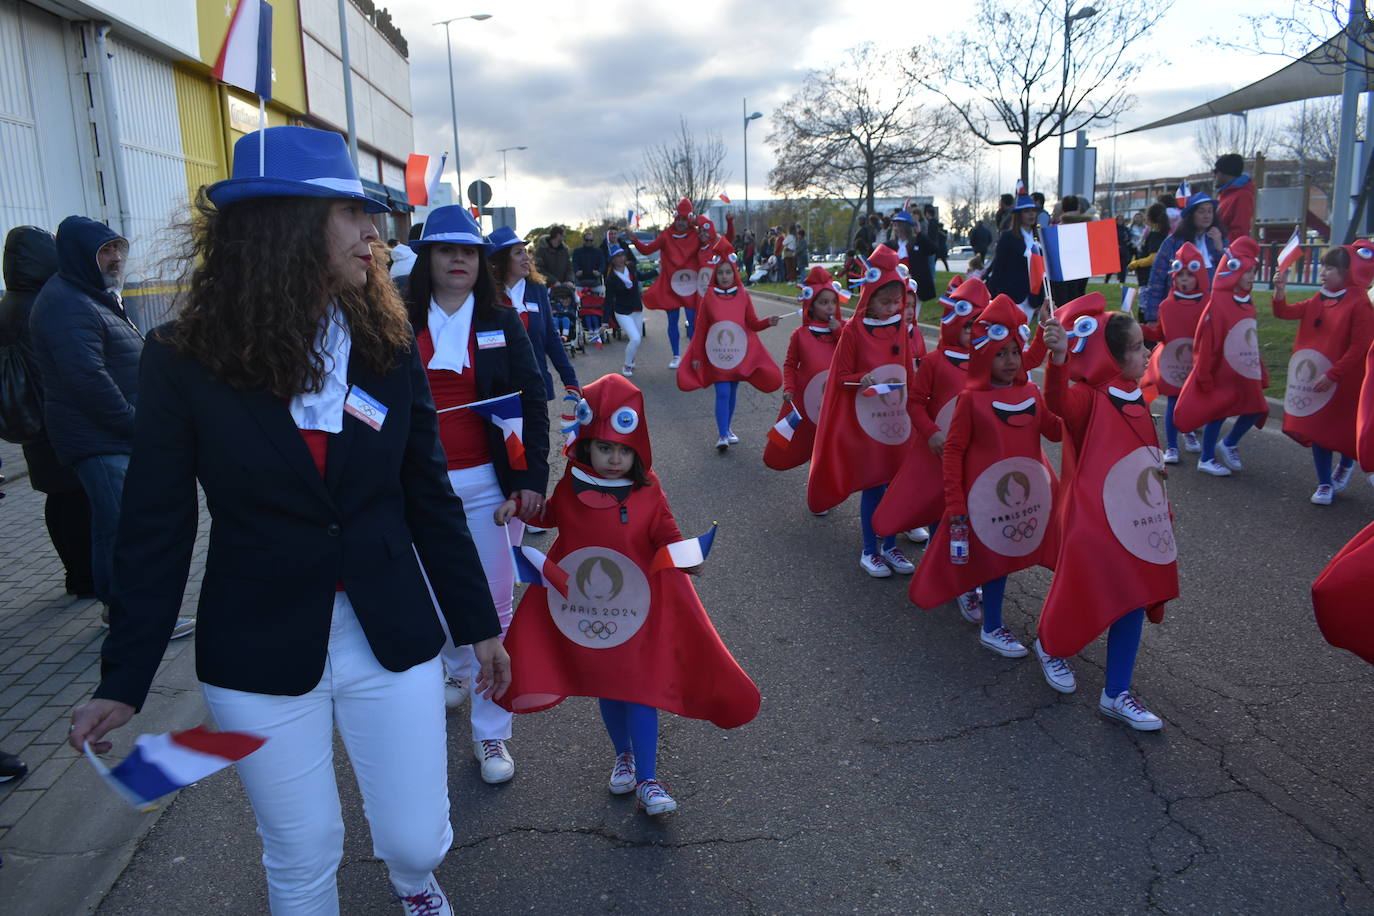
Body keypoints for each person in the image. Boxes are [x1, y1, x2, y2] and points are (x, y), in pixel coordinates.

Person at [66, 126, 510, 915]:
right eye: (351, 212)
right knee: (302, 854)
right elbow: (156, 528)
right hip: (259, 645)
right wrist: (124, 680)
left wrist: (480, 626)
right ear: (286, 226)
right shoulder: (180, 359)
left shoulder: (385, 344)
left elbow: (429, 497)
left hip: (389, 631)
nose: (374, 232)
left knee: (415, 839)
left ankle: (414, 884)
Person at [496, 373, 761, 816]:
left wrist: (686, 556)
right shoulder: (572, 486)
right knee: (609, 685)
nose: (614, 458)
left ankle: (649, 780)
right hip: (587, 610)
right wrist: (518, 507)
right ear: (587, 444)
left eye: (623, 450)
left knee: (639, 688)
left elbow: (666, 534)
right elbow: (548, 517)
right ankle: (623, 754)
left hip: (640, 610)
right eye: (605, 448)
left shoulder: (648, 489)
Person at [405, 206, 550, 785]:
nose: (458, 259)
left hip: (487, 487)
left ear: (479, 261)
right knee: (435, 606)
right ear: (428, 259)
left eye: (467, 251)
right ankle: (456, 664)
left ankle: (492, 735)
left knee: (495, 611)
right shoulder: (395, 316)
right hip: (415, 491)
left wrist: (531, 480)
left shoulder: (500, 318)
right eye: (445, 250)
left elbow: (531, 396)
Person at [29, 216, 195, 638]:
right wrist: (135, 423)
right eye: (105, 251)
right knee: (122, 527)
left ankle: (123, 610)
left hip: (112, 435)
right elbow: (86, 379)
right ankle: (128, 615)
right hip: (102, 438)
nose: (116, 258)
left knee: (117, 525)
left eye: (117, 248)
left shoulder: (91, 295)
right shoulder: (67, 303)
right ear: (80, 256)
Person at [1037, 294, 1178, 729]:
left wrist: (1161, 504)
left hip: (1135, 519)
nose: (1146, 352)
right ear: (1113, 357)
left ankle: (1116, 693)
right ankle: (1051, 643)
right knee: (1083, 590)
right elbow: (1059, 402)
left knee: (1133, 597)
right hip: (1094, 523)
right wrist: (1058, 358)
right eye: (1137, 347)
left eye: (1143, 345)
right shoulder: (1090, 399)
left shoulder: (1136, 394)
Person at [908, 294, 1063, 655]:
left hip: (1022, 499)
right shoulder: (971, 400)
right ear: (983, 355)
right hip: (981, 499)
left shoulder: (1030, 392)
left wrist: (1060, 362)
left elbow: (1056, 430)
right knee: (991, 560)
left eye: (1014, 351)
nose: (1011, 361)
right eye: (1000, 353)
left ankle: (980, 605)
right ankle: (992, 626)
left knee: (1002, 557)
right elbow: (954, 451)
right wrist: (954, 502)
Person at [807, 245, 920, 577]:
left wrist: (915, 404)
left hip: (896, 420)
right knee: (875, 483)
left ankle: (890, 545)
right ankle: (870, 550)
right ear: (869, 297)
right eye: (884, 302)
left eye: (895, 302)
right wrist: (863, 379)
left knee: (895, 483)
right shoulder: (854, 331)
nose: (891, 308)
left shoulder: (900, 326)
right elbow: (841, 378)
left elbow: (907, 371)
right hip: (866, 421)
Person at [873, 276, 989, 584]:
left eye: (980, 326)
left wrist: (1046, 333)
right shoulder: (936, 361)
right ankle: (903, 551)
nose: (973, 333)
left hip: (974, 454)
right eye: (968, 325)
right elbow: (915, 403)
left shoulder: (989, 360)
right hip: (937, 449)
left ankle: (950, 570)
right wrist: (931, 432)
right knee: (933, 502)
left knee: (965, 510)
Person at [0, 226, 94, 598]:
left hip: (28, 420)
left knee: (58, 498)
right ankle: (86, 578)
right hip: (58, 415)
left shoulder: (7, 306)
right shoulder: (45, 304)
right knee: (78, 498)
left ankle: (74, 574)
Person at [1272, 241, 1374, 505]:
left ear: (1347, 272)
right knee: (1318, 430)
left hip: (1346, 380)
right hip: (1319, 378)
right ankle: (1325, 482)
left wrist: (1333, 375)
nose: (1323, 272)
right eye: (1324, 266)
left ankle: (1346, 463)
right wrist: (1280, 291)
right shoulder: (1320, 298)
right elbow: (1284, 313)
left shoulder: (1359, 304)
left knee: (1343, 430)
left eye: (1331, 268)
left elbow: (1361, 346)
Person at [1174, 237, 1268, 476]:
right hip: (1220, 371)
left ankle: (1228, 444)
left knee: (1257, 407)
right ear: (1233, 271)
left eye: (1253, 271)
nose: (1251, 277)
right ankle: (1206, 458)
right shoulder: (1218, 303)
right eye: (1248, 272)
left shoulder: (1247, 302)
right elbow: (1206, 341)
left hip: (1244, 369)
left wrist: (1261, 369)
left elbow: (1250, 336)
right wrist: (1204, 374)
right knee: (1218, 412)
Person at [678, 238, 782, 449]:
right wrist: (697, 356)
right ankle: (722, 435)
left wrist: (767, 323)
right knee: (723, 391)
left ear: (734, 272)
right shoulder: (709, 297)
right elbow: (700, 330)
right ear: (715, 274)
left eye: (728, 272)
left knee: (732, 391)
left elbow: (752, 323)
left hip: (738, 353)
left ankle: (727, 427)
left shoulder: (743, 294)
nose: (724, 276)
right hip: (716, 354)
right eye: (721, 272)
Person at [763, 266, 845, 473]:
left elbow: (850, 356)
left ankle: (824, 484)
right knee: (811, 440)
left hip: (835, 398)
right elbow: (790, 364)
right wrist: (789, 387)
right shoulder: (800, 335)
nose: (829, 307)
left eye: (833, 302)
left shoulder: (843, 331)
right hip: (807, 400)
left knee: (830, 443)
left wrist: (838, 332)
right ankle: (815, 481)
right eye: (824, 302)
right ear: (811, 304)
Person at [488, 226, 580, 402]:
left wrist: (570, 381)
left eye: (525, 252)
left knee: (538, 430)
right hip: (499, 393)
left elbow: (551, 338)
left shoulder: (537, 290)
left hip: (536, 387)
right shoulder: (487, 295)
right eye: (518, 253)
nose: (526, 258)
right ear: (501, 260)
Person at [1141, 243, 1209, 463]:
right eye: (1181, 276)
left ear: (1199, 277)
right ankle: (1171, 446)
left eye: (1190, 276)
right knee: (1173, 402)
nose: (1185, 280)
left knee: (1193, 403)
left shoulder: (1208, 305)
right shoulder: (1167, 306)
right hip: (1173, 364)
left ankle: (1188, 432)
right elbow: (1161, 334)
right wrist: (1143, 329)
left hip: (1197, 361)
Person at [625, 199, 700, 367]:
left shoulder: (696, 234)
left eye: (684, 219)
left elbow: (714, 239)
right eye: (678, 219)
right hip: (672, 286)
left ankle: (694, 355)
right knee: (672, 321)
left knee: (693, 321)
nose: (681, 222)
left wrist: (727, 223)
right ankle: (676, 356)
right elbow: (647, 249)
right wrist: (634, 240)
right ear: (674, 218)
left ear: (689, 218)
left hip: (690, 286)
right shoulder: (667, 235)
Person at [1141, 191, 1225, 324]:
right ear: (1191, 215)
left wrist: (1220, 248)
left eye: (1210, 211)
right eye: (1201, 211)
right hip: (1178, 309)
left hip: (1209, 311)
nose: (1207, 216)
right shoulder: (1172, 242)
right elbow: (1157, 279)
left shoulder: (1219, 240)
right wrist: (1152, 316)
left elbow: (1228, 276)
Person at [986, 192, 1044, 320]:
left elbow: (1041, 272)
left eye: (1033, 211)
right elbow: (999, 267)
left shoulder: (1039, 239)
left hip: (1032, 297)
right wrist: (993, 295)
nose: (1031, 214)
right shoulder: (1008, 237)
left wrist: (1041, 298)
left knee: (1024, 334)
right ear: (1018, 215)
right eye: (1026, 211)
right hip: (1011, 294)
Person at [604, 236, 645, 377]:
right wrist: (604, 322)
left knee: (637, 339)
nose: (621, 258)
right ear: (612, 260)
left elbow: (642, 277)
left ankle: (631, 359)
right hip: (622, 312)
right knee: (635, 338)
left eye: (622, 255)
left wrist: (660, 272)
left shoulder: (631, 268)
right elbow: (608, 301)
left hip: (637, 309)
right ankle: (627, 365)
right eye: (617, 256)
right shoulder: (611, 279)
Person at [1049, 195, 1092, 304]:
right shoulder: (1088, 227)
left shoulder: (1056, 229)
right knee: (1078, 294)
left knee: (1062, 299)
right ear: (1078, 207)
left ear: (1063, 208)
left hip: (1062, 269)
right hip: (1082, 267)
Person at [888, 210, 937, 304]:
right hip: (895, 283)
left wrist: (919, 233)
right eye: (895, 225)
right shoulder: (891, 245)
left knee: (912, 311)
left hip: (914, 284)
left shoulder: (918, 242)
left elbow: (933, 249)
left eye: (899, 225)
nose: (896, 228)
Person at [1214, 153, 1256, 242]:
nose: (1214, 176)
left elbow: (1240, 232)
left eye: (1215, 172)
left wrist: (1220, 245)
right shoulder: (1224, 194)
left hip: (1228, 251)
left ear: (1224, 173)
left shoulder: (1243, 196)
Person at [1128, 203, 1171, 289]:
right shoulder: (1162, 232)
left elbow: (1153, 258)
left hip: (1149, 279)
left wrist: (1135, 264)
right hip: (1153, 278)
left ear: (1150, 218)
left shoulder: (1155, 235)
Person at [533, 224, 573, 289]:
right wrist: (554, 281)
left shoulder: (565, 250)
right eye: (563, 234)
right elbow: (539, 269)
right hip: (547, 287)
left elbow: (569, 268)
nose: (564, 236)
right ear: (557, 235)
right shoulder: (541, 250)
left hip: (564, 288)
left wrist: (569, 281)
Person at [572, 227, 607, 293]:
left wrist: (599, 272)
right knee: (575, 295)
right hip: (580, 281)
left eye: (591, 240)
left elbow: (603, 264)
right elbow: (574, 263)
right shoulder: (577, 251)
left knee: (602, 293)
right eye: (587, 240)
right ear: (584, 240)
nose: (589, 242)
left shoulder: (599, 251)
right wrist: (576, 271)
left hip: (595, 281)